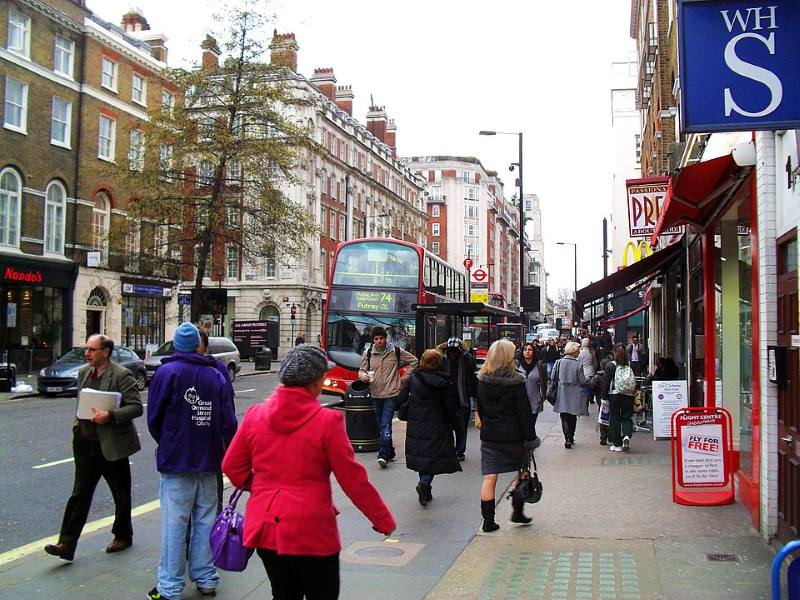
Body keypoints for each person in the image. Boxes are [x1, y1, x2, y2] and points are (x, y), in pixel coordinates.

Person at [222, 344, 396, 600]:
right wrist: (382, 520)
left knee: (283, 593)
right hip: (312, 530)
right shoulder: (327, 423)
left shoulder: (255, 416)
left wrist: (260, 487)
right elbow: (353, 480)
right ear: (315, 382)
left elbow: (231, 467)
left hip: (266, 526)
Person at [146, 323, 238, 600]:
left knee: (175, 525)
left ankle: (170, 586)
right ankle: (205, 576)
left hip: (176, 461)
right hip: (209, 460)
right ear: (199, 345)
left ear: (176, 345)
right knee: (205, 521)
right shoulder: (215, 375)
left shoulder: (166, 372)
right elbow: (228, 420)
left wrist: (169, 440)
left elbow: (155, 419)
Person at [44, 335, 143, 562]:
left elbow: (136, 408)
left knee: (120, 494)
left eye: (92, 350)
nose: (87, 354)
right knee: (80, 493)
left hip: (111, 444)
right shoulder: (83, 373)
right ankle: (66, 544)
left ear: (105, 352)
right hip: (85, 443)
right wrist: (78, 427)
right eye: (86, 350)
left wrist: (110, 415)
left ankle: (123, 535)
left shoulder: (121, 375)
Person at [476, 339, 537, 532]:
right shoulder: (517, 382)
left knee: (490, 477)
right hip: (514, 436)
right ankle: (517, 512)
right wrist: (530, 439)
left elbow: (482, 409)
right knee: (522, 473)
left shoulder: (482, 381)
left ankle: (488, 521)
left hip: (491, 436)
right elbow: (524, 413)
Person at [398, 348, 462, 506]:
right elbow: (450, 406)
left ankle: (424, 485)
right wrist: (456, 425)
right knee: (433, 457)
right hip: (437, 423)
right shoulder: (444, 382)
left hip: (416, 423)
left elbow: (400, 398)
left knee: (423, 456)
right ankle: (425, 484)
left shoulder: (413, 378)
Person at [358, 326, 418, 468]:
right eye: (376, 339)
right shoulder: (368, 353)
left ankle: (383, 453)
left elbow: (414, 361)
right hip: (375, 393)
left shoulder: (395, 351)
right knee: (381, 424)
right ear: (373, 340)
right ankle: (390, 451)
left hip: (391, 393)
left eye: (381, 338)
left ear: (386, 338)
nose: (379, 341)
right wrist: (363, 376)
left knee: (385, 423)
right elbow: (361, 370)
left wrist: (403, 379)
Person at [197, 327, 235, 513]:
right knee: (211, 508)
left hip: (192, 451)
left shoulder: (168, 370)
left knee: (180, 515)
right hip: (210, 448)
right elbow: (229, 413)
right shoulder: (217, 369)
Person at [439, 337, 478, 462]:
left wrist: (476, 397)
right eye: (451, 351)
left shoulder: (468, 360)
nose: (453, 353)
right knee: (447, 426)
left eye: (455, 351)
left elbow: (473, 378)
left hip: (463, 397)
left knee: (461, 426)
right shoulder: (442, 360)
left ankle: (460, 451)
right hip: (446, 397)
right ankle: (450, 449)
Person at [552, 341, 587, 449]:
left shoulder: (559, 362)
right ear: (574, 351)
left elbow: (552, 377)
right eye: (578, 350)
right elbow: (582, 380)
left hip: (562, 392)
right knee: (573, 416)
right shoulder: (578, 364)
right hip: (575, 393)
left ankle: (567, 438)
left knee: (564, 416)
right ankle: (571, 437)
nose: (579, 352)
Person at [601, 345, 636, 453]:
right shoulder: (630, 365)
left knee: (615, 418)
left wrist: (604, 397)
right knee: (627, 416)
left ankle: (617, 445)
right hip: (628, 394)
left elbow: (606, 382)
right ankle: (626, 435)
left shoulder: (610, 365)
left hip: (614, 394)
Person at [517, 342, 546, 445]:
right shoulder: (517, 364)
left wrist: (542, 397)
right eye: (525, 350)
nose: (527, 352)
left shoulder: (539, 366)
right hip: (519, 401)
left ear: (533, 352)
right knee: (521, 424)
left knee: (531, 425)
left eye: (530, 349)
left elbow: (544, 383)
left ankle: (529, 447)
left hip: (534, 400)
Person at [577, 338, 597, 404]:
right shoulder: (592, 352)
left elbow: (577, 362)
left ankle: (585, 400)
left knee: (584, 387)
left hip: (582, 372)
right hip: (590, 371)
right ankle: (590, 398)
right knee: (590, 386)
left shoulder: (579, 352)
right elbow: (595, 363)